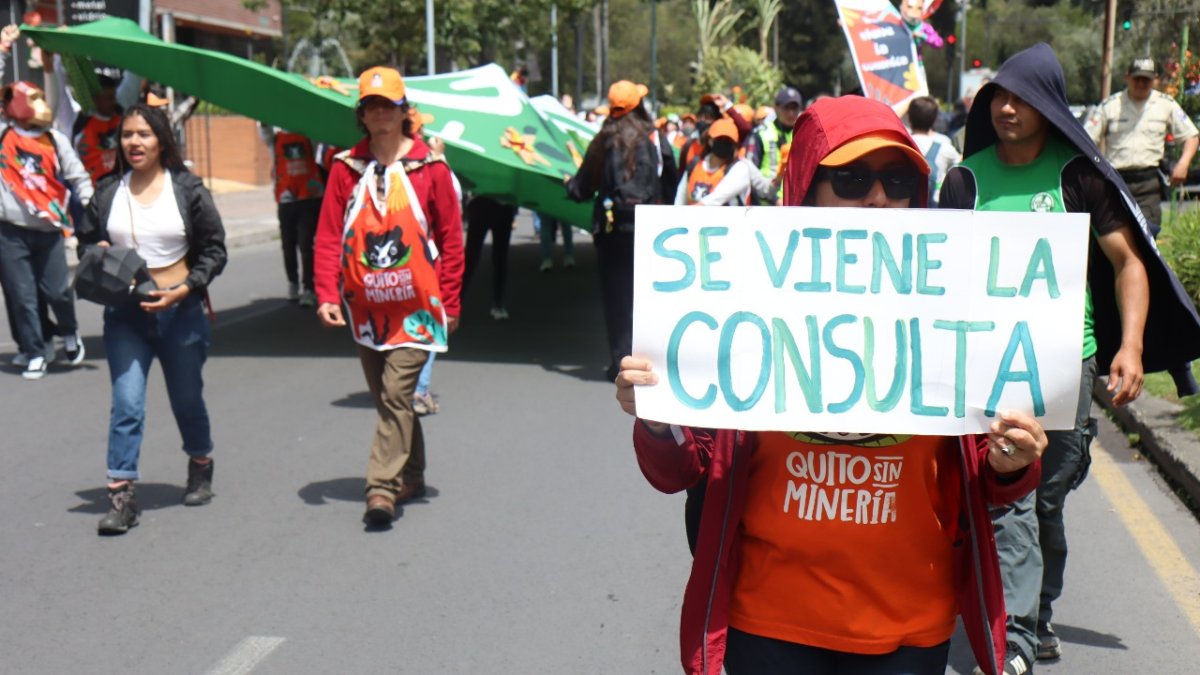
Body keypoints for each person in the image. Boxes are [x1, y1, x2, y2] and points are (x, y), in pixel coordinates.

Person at [617, 95, 1049, 675]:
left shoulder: (957, 309)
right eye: (850, 179)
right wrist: (657, 415)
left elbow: (990, 480)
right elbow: (679, 471)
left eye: (898, 180)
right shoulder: (741, 304)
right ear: (807, 186)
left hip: (908, 629)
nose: (878, 197)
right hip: (769, 623)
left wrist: (1009, 461)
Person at [939, 43, 1200, 672]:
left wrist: (1131, 347)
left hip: (1064, 365)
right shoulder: (964, 179)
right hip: (978, 364)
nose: (1006, 108)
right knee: (1002, 495)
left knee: (1045, 496)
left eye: (1022, 98)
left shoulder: (1077, 177)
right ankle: (1017, 632)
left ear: (1048, 104)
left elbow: (1128, 263)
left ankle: (1037, 608)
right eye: (999, 95)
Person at [313, 66, 464, 526]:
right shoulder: (345, 168)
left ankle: (381, 488)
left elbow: (452, 240)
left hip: (418, 309)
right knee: (387, 398)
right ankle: (412, 471)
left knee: (398, 393)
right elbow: (327, 236)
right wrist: (326, 294)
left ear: (404, 111)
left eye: (387, 105)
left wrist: (451, 302)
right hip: (365, 310)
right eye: (371, 105)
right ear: (362, 114)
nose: (379, 113)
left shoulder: (431, 169)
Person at [75, 103, 227, 534]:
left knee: (186, 400)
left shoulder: (188, 189)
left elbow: (215, 250)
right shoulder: (107, 191)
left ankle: (200, 462)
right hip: (126, 315)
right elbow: (86, 242)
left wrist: (185, 287)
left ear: (161, 140)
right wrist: (97, 253)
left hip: (180, 313)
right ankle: (121, 496)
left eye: (143, 134)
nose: (134, 142)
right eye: (127, 135)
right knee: (127, 403)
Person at [1085, 57, 1200, 396]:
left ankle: (1178, 358)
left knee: (1149, 264)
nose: (1142, 85)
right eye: (1137, 79)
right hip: (1115, 186)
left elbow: (1191, 136)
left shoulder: (1165, 104)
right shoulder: (1110, 106)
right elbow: (1086, 137)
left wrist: (1183, 163)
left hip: (1148, 185)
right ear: (1127, 77)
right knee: (1113, 266)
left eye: (1148, 80)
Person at [567, 79, 677, 381]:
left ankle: (620, 363)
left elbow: (583, 186)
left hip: (613, 229)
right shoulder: (655, 137)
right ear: (639, 106)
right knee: (650, 298)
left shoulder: (605, 139)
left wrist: (569, 186)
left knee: (617, 299)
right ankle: (653, 363)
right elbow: (671, 180)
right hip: (652, 229)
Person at [0, 25, 93, 380]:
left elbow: (78, 177)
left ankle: (69, 331)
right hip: (9, 232)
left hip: (49, 229)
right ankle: (36, 351)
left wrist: (91, 207)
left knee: (56, 291)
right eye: (34, 98)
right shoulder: (4, 136)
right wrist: (4, 48)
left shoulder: (54, 140)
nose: (42, 105)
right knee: (21, 295)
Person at [259, 125, 324, 306]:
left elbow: (319, 134)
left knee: (306, 244)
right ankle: (293, 283)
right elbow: (264, 131)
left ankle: (309, 288)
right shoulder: (275, 139)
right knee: (288, 244)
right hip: (286, 198)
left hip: (309, 197)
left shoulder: (309, 137)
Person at [675, 117, 773, 206]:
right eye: (719, 139)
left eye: (728, 140)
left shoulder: (741, 167)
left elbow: (717, 198)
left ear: (734, 144)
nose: (723, 142)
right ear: (710, 140)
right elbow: (680, 197)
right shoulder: (695, 164)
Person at [463, 196, 517, 319]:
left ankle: (498, 303)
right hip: (486, 204)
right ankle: (454, 302)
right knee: (472, 258)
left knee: (499, 259)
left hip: (501, 205)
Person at [906, 95, 960, 207]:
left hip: (907, 209)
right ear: (934, 119)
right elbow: (958, 166)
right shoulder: (945, 145)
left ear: (909, 118)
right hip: (935, 211)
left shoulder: (902, 143)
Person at [72, 74, 123, 185]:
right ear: (95, 98)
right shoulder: (79, 123)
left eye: (114, 97)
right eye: (109, 98)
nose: (114, 102)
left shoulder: (122, 121)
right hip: (90, 191)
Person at [760, 86, 803, 201]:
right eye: (786, 108)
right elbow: (751, 175)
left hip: (797, 204)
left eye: (795, 108)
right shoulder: (761, 133)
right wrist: (774, 200)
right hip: (766, 204)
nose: (791, 113)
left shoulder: (805, 134)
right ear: (776, 108)